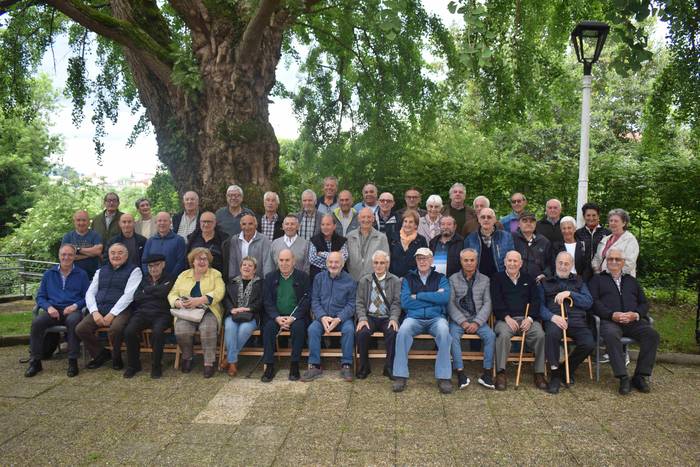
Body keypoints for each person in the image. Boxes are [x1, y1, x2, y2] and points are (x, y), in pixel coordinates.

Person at [589, 248, 659, 395]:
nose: (613, 262)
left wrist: (635, 314)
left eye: (617, 259)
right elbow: (594, 302)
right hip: (610, 321)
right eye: (610, 259)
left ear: (623, 262)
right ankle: (623, 377)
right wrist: (611, 314)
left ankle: (640, 376)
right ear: (606, 262)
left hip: (633, 321)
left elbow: (644, 303)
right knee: (611, 335)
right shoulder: (597, 280)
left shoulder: (631, 281)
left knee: (652, 335)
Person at [392, 248, 453, 394]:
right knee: (402, 331)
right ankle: (400, 375)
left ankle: (444, 377)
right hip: (414, 317)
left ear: (431, 260)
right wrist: (433, 298)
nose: (422, 261)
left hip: (436, 318)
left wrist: (417, 295)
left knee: (445, 332)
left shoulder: (441, 278)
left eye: (425, 258)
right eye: (419, 258)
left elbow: (444, 299)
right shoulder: (408, 278)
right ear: (416, 261)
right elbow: (406, 302)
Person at [25, 244, 89, 378]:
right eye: (63, 254)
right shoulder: (49, 274)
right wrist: (48, 307)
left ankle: (72, 361)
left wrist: (75, 306)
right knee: (37, 323)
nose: (66, 257)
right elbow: (41, 296)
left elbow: (87, 297)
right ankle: (35, 362)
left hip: (72, 310)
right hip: (53, 310)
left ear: (74, 257)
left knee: (73, 322)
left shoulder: (81, 274)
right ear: (59, 256)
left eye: (70, 255)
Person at [76, 243, 143, 370]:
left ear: (126, 255)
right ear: (109, 255)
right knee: (81, 329)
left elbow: (129, 295)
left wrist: (112, 314)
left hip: (123, 310)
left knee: (116, 329)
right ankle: (101, 354)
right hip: (100, 308)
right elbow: (90, 293)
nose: (116, 255)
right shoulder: (100, 271)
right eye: (113, 253)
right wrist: (94, 312)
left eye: (120, 253)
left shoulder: (135, 270)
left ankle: (116, 357)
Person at [539, 251, 595, 394]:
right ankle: (555, 375)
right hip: (555, 319)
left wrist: (570, 294)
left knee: (589, 343)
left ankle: (566, 369)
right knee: (551, 335)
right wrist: (552, 317)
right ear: (555, 264)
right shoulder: (545, 281)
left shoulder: (579, 281)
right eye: (560, 263)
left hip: (576, 320)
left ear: (572, 265)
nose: (563, 266)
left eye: (566, 264)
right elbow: (539, 306)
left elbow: (588, 302)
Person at [491, 251, 546, 391]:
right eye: (509, 260)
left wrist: (530, 318)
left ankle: (539, 373)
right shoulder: (497, 278)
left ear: (520, 264)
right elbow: (496, 301)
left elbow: (536, 301)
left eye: (515, 261)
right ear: (504, 262)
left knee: (540, 335)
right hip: (505, 320)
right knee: (503, 335)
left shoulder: (529, 279)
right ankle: (501, 373)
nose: (512, 264)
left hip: (526, 319)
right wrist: (506, 317)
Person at [168, 247, 225, 377]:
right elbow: (172, 293)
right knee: (182, 330)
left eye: (205, 259)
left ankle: (208, 363)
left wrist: (199, 300)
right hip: (187, 311)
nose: (201, 261)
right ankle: (187, 357)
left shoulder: (215, 274)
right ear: (192, 261)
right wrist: (178, 302)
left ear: (209, 261)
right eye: (198, 259)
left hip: (208, 310)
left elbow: (219, 292)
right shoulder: (183, 275)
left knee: (208, 328)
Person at [301, 251, 357, 382]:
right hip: (323, 317)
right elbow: (314, 300)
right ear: (326, 264)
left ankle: (346, 365)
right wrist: (322, 317)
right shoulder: (319, 278)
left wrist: (339, 319)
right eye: (330, 262)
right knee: (312, 329)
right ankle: (315, 365)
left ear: (342, 264)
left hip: (342, 318)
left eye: (337, 262)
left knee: (349, 330)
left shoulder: (350, 281)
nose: (333, 264)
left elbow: (351, 304)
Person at [448, 248, 496, 390]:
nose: (469, 263)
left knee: (491, 336)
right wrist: (462, 321)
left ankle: (487, 373)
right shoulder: (452, 279)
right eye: (466, 260)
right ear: (461, 261)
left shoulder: (485, 280)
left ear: (477, 261)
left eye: (472, 260)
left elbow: (488, 303)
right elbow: (449, 303)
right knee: (452, 336)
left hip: (478, 319)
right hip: (459, 320)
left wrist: (477, 322)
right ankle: (460, 372)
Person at [261, 249, 311, 382]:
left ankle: (294, 365)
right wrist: (276, 317)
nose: (284, 263)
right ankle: (269, 366)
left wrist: (293, 318)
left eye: (287, 260)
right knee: (268, 328)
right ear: (277, 261)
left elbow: (307, 300)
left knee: (299, 329)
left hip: (296, 317)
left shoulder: (303, 277)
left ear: (293, 261)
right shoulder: (270, 277)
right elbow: (267, 301)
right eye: (281, 260)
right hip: (276, 316)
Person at [122, 254, 174, 379]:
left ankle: (156, 366)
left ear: (163, 265)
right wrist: (155, 290)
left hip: (162, 313)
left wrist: (148, 290)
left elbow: (165, 292)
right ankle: (133, 365)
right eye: (150, 266)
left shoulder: (171, 277)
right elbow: (137, 297)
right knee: (129, 331)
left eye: (156, 265)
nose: (153, 269)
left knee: (157, 333)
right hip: (143, 312)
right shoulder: (144, 279)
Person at [355, 250, 401, 379]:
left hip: (386, 317)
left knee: (393, 332)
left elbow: (397, 302)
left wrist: (394, 318)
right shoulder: (365, 280)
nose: (379, 265)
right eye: (376, 263)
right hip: (370, 316)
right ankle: (364, 367)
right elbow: (359, 302)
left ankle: (389, 367)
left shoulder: (395, 280)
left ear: (387, 264)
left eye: (382, 263)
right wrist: (362, 318)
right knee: (362, 333)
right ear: (372, 264)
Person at [221, 256, 263, 377]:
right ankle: (233, 362)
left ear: (255, 270)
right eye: (244, 265)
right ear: (240, 268)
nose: (247, 267)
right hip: (233, 314)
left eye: (250, 265)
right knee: (230, 328)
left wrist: (249, 308)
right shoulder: (231, 282)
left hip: (251, 315)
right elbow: (225, 298)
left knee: (244, 330)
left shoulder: (260, 283)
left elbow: (261, 301)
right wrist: (232, 309)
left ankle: (229, 359)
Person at [464, 208, 514, 278]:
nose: (486, 219)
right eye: (483, 217)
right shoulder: (470, 238)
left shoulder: (506, 237)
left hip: (501, 279)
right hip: (478, 280)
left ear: (494, 220)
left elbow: (512, 259)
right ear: (479, 220)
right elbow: (465, 261)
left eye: (489, 217)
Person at [222, 213, 274, 280]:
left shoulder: (264, 240)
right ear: (240, 226)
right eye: (244, 224)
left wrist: (267, 281)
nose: (247, 227)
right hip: (239, 281)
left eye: (250, 224)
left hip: (258, 281)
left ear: (256, 225)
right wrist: (232, 281)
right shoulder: (235, 239)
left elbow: (267, 263)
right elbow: (232, 263)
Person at [345, 208, 390, 281]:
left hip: (374, 281)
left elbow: (386, 262)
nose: (366, 220)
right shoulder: (349, 236)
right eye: (363, 217)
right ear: (358, 219)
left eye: (369, 217)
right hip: (352, 280)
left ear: (373, 219)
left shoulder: (382, 238)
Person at [592, 208, 639, 277]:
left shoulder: (630, 240)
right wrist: (598, 272)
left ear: (624, 223)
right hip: (602, 278)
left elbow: (629, 264)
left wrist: (610, 275)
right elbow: (596, 258)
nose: (612, 223)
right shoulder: (605, 239)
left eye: (616, 221)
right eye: (611, 221)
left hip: (622, 280)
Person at [142, 212, 187, 276]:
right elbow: (144, 260)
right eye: (159, 221)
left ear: (170, 223)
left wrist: (171, 277)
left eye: (165, 221)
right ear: (156, 223)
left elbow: (181, 262)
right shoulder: (150, 241)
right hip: (152, 280)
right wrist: (148, 275)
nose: (162, 223)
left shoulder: (179, 240)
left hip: (172, 280)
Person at [511, 211, 552, 283]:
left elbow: (550, 263)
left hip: (537, 283)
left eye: (531, 221)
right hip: (515, 282)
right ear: (519, 224)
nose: (528, 223)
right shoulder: (511, 239)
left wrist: (545, 274)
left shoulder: (544, 241)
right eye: (524, 221)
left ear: (535, 224)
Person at [62, 210, 103, 279]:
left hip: (92, 277)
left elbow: (98, 251)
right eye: (78, 220)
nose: (81, 223)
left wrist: (77, 250)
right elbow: (67, 256)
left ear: (89, 222)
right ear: (74, 222)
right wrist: (91, 254)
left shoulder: (96, 235)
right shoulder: (68, 237)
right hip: (72, 275)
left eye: (84, 220)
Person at [308, 214, 348, 281]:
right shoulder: (314, 240)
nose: (325, 227)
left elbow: (344, 257)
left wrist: (322, 254)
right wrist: (335, 262)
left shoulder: (342, 240)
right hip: (319, 279)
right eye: (323, 224)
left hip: (339, 279)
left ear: (334, 226)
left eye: (328, 224)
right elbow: (312, 259)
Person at [388, 209, 427, 277]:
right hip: (394, 279)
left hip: (414, 280)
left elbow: (425, 261)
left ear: (416, 225)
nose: (407, 224)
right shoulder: (393, 238)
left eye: (411, 222)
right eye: (405, 221)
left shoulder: (421, 240)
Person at [575, 202, 610, 277]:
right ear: (584, 216)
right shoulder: (577, 234)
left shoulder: (607, 234)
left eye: (594, 215)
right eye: (588, 215)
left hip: (602, 274)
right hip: (582, 275)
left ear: (598, 216)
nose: (591, 218)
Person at [553, 216, 589, 280]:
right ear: (561, 230)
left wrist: (582, 281)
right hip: (560, 281)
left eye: (569, 228)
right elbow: (553, 265)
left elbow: (587, 267)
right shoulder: (556, 246)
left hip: (579, 281)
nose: (566, 231)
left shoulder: (583, 245)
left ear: (575, 229)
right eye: (564, 228)